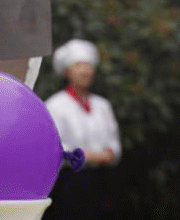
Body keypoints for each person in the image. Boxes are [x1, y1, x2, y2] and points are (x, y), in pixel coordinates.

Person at [43, 39, 121, 220]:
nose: (85, 71)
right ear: (67, 71)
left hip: (102, 182)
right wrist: (95, 156)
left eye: (88, 65)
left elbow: (114, 147)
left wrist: (92, 155)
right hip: (69, 185)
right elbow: (56, 150)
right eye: (78, 65)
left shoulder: (102, 105)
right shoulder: (55, 105)